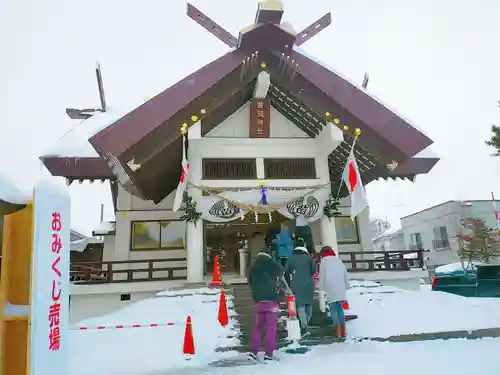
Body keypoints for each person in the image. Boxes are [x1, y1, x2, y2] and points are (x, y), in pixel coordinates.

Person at [247, 250, 285, 361]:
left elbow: (250, 282)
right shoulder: (269, 263)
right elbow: (281, 270)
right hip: (271, 299)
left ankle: (253, 352)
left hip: (258, 301)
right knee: (271, 328)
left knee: (258, 328)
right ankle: (268, 354)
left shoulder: (252, 267)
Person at [317, 246, 350, 339]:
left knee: (334, 310)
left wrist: (321, 288)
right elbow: (345, 273)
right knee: (340, 309)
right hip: (341, 288)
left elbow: (322, 276)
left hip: (331, 288)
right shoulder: (339, 261)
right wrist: (347, 285)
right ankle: (344, 331)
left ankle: (338, 331)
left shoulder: (324, 262)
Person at [286, 238, 315, 333]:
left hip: (296, 283)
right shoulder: (308, 257)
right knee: (308, 304)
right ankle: (307, 321)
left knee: (300, 305)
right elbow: (313, 270)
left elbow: (288, 270)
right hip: (308, 283)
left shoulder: (291, 257)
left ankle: (304, 324)